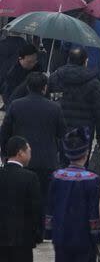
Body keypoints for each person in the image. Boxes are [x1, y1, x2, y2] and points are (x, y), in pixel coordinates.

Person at [0, 72, 65, 204]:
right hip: (47, 162)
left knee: (20, 201)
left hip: (21, 160)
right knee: (44, 200)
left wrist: (5, 154)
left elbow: (4, 132)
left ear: (28, 87)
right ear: (45, 88)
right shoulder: (55, 108)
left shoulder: (15, 105)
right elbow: (62, 133)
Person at [45, 127, 100, 262]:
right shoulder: (92, 179)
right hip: (83, 239)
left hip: (60, 236)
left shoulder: (57, 176)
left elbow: (49, 207)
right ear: (86, 153)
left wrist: (48, 231)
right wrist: (98, 238)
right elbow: (94, 213)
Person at [48, 47, 100, 149]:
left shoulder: (55, 78)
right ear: (85, 61)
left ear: (68, 60)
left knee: (62, 160)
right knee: (81, 160)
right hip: (85, 130)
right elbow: (99, 109)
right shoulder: (93, 82)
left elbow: (50, 101)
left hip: (61, 129)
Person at [0, 136, 42, 262]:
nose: (30, 155)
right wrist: (38, 234)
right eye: (29, 151)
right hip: (23, 239)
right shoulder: (30, 178)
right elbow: (36, 209)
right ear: (20, 153)